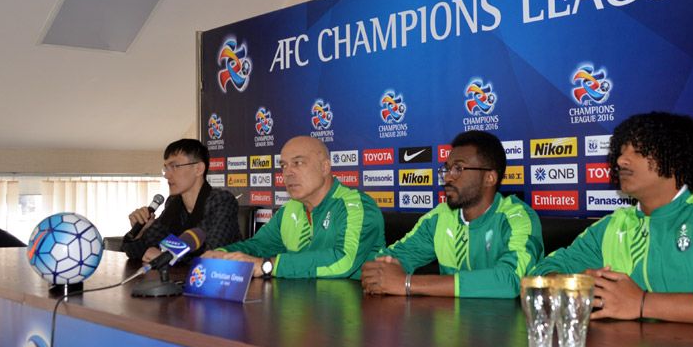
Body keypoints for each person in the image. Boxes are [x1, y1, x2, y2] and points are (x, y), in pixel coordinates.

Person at [533, 112, 693, 327]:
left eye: (639, 151)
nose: (621, 160)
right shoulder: (612, 226)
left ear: (675, 160)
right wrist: (573, 284)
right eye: (620, 152)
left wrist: (642, 303)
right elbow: (540, 274)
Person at [361, 130, 543, 298]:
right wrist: (381, 271)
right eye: (447, 169)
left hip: (506, 329)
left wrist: (408, 284)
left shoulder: (517, 218)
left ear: (489, 178)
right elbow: (388, 259)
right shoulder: (440, 217)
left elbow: (511, 281)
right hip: (449, 328)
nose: (447, 177)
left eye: (458, 169)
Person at [206, 136, 385, 279]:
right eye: (284, 166)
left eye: (298, 163)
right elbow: (259, 246)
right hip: (302, 308)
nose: (288, 172)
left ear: (324, 167)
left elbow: (343, 260)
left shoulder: (357, 206)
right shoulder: (289, 210)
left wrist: (268, 265)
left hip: (355, 311)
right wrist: (222, 256)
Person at [122, 138, 240, 262]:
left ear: (198, 169)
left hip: (221, 279)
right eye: (166, 168)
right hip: (177, 279)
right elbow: (134, 251)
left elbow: (211, 255)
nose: (167, 175)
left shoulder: (222, 201)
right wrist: (140, 233)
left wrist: (166, 257)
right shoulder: (173, 203)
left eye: (174, 166)